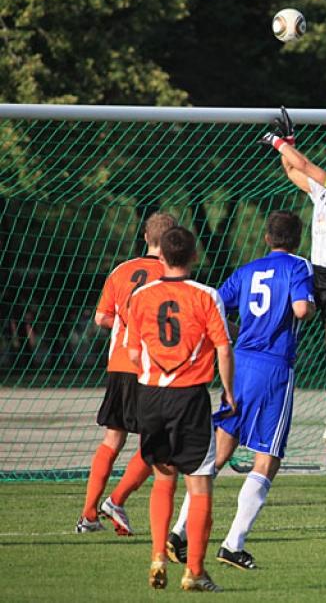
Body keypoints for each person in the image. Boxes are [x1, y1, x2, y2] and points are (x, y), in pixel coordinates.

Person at [165, 211, 315, 571]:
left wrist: (241, 327)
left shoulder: (248, 270)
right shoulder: (299, 266)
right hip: (272, 367)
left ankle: (179, 531)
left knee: (217, 452)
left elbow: (214, 304)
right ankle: (233, 544)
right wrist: (308, 304)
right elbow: (300, 309)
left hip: (240, 364)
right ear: (298, 239)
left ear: (267, 238)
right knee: (268, 457)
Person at [126, 226, 235, 591]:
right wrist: (230, 393)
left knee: (163, 477)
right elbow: (222, 348)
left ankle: (158, 554)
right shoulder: (206, 296)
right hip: (189, 398)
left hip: (150, 396)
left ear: (161, 257)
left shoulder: (140, 297)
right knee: (200, 485)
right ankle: (195, 571)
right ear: (193, 257)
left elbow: (131, 350)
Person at [261, 107, 326, 444]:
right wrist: (288, 144)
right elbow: (292, 171)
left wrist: (276, 141)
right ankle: (270, 394)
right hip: (316, 273)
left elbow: (304, 165)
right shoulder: (325, 192)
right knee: (285, 326)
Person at [77, 211, 177, 536]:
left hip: (118, 363)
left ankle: (88, 514)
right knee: (159, 443)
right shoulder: (170, 274)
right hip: (149, 368)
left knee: (113, 437)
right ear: (173, 239)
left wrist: (125, 323)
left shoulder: (121, 270)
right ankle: (116, 500)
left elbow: (101, 318)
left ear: (146, 237)